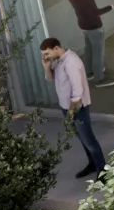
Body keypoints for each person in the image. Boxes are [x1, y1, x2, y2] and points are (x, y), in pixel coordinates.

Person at [40, 35, 108, 179]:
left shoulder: (71, 62)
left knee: (89, 140)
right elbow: (51, 79)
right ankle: (92, 164)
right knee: (82, 139)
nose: (46, 57)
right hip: (65, 106)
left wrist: (71, 112)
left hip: (77, 108)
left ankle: (103, 172)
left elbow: (78, 91)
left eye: (47, 53)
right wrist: (46, 67)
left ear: (56, 48)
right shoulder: (58, 61)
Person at [61, 0, 114, 88]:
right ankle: (99, 79)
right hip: (94, 26)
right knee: (98, 52)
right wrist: (111, 7)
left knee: (89, 50)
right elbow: (94, 13)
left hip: (83, 24)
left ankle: (89, 72)